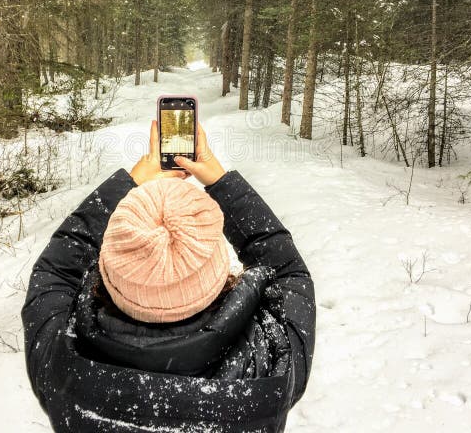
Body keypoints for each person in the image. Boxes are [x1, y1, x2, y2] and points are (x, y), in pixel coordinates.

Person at [21, 121, 316, 433]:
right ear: (216, 274)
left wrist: (132, 181)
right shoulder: (270, 369)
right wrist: (216, 178)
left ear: (110, 273)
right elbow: (286, 270)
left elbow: (55, 269)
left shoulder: (64, 367)